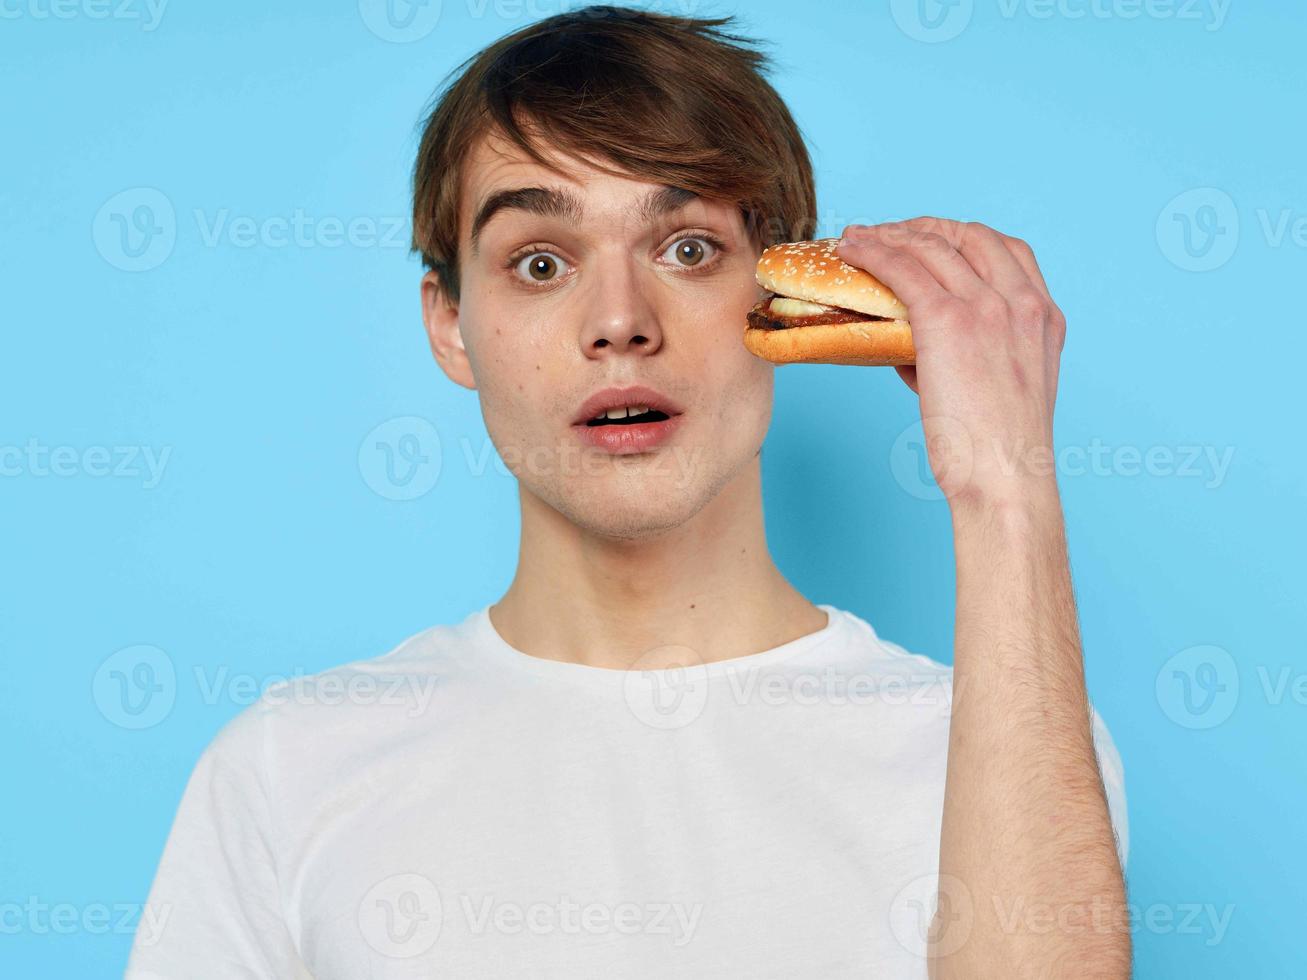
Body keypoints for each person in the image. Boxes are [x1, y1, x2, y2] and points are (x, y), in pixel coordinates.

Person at [127, 7, 1130, 977]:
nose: (618, 320)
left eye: (686, 248)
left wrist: (1005, 489)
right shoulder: (288, 768)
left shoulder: (1001, 744)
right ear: (448, 322)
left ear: (786, 293)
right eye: (539, 261)